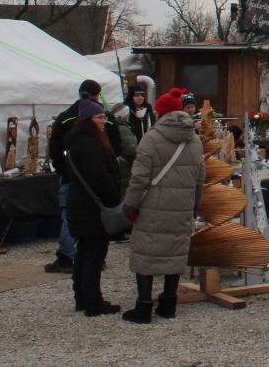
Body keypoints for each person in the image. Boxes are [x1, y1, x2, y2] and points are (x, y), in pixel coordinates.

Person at [120, 86, 205, 324]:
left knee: (146, 253)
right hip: (182, 205)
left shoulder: (151, 138)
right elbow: (200, 179)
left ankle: (144, 306)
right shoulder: (194, 140)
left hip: (152, 206)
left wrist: (130, 204)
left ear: (160, 113)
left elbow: (139, 178)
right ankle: (168, 304)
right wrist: (195, 206)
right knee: (175, 252)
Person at [46, 79, 122, 274]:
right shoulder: (105, 117)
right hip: (97, 178)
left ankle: (68, 256)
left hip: (73, 178)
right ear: (98, 94)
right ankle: (88, 258)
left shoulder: (66, 117)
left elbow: (54, 147)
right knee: (95, 220)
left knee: (70, 216)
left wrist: (63, 169)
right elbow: (117, 145)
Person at [65, 97, 123, 315]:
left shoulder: (76, 142)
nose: (103, 121)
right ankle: (93, 301)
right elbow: (98, 177)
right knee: (94, 254)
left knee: (84, 252)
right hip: (91, 207)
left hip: (80, 203)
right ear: (89, 120)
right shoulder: (90, 145)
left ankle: (81, 297)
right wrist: (113, 198)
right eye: (99, 117)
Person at [125, 79, 155, 143]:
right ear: (131, 96)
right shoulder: (126, 110)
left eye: (142, 95)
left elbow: (152, 125)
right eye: (137, 95)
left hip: (147, 141)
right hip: (132, 142)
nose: (140, 97)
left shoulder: (147, 109)